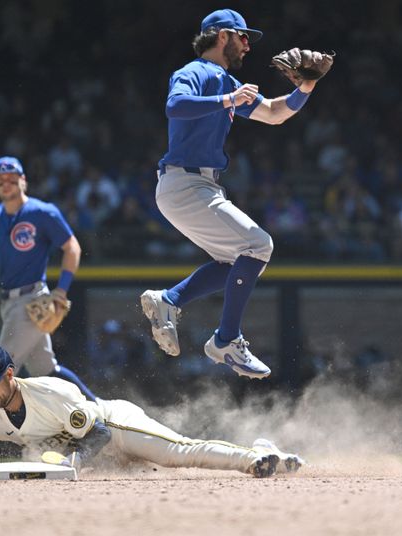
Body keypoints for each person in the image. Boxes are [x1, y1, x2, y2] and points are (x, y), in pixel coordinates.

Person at [140, 9, 328, 379]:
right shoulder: (197, 72)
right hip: (185, 183)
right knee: (259, 245)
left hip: (197, 185)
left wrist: (305, 87)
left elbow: (275, 113)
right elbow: (174, 106)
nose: (247, 45)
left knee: (237, 262)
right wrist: (228, 100)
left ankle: (170, 299)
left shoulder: (225, 80)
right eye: (243, 37)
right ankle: (226, 339)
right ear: (222, 35)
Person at [0, 345, 302, 479]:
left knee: (178, 454)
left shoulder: (51, 392)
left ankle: (256, 457)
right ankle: (263, 451)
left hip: (111, 424)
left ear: (10, 373)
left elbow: (95, 433)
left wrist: (73, 464)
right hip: (90, 452)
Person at [0, 156, 97, 401]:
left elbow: (72, 248)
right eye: (0, 180)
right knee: (47, 370)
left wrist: (61, 291)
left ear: (23, 180)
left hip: (30, 300)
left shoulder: (42, 212)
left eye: (12, 178)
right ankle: (95, 412)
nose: (6, 183)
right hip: (8, 303)